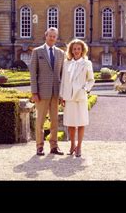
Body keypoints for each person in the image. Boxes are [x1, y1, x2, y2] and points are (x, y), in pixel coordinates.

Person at [29, 27, 65, 156]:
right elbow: (33, 73)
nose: (52, 38)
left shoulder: (61, 53)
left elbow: (63, 75)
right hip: (42, 92)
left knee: (55, 121)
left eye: (54, 36)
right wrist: (34, 92)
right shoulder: (37, 52)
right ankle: (39, 146)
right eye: (50, 36)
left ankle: (54, 146)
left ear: (56, 38)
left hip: (55, 93)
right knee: (40, 121)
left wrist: (62, 94)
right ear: (46, 36)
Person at [59, 39, 95, 158]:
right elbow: (63, 81)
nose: (76, 51)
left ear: (82, 50)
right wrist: (62, 96)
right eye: (74, 49)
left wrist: (85, 89)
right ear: (71, 50)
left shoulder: (87, 63)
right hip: (69, 97)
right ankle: (72, 145)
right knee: (70, 123)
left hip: (80, 97)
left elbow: (91, 80)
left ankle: (79, 146)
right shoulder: (66, 63)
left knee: (81, 123)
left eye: (78, 49)